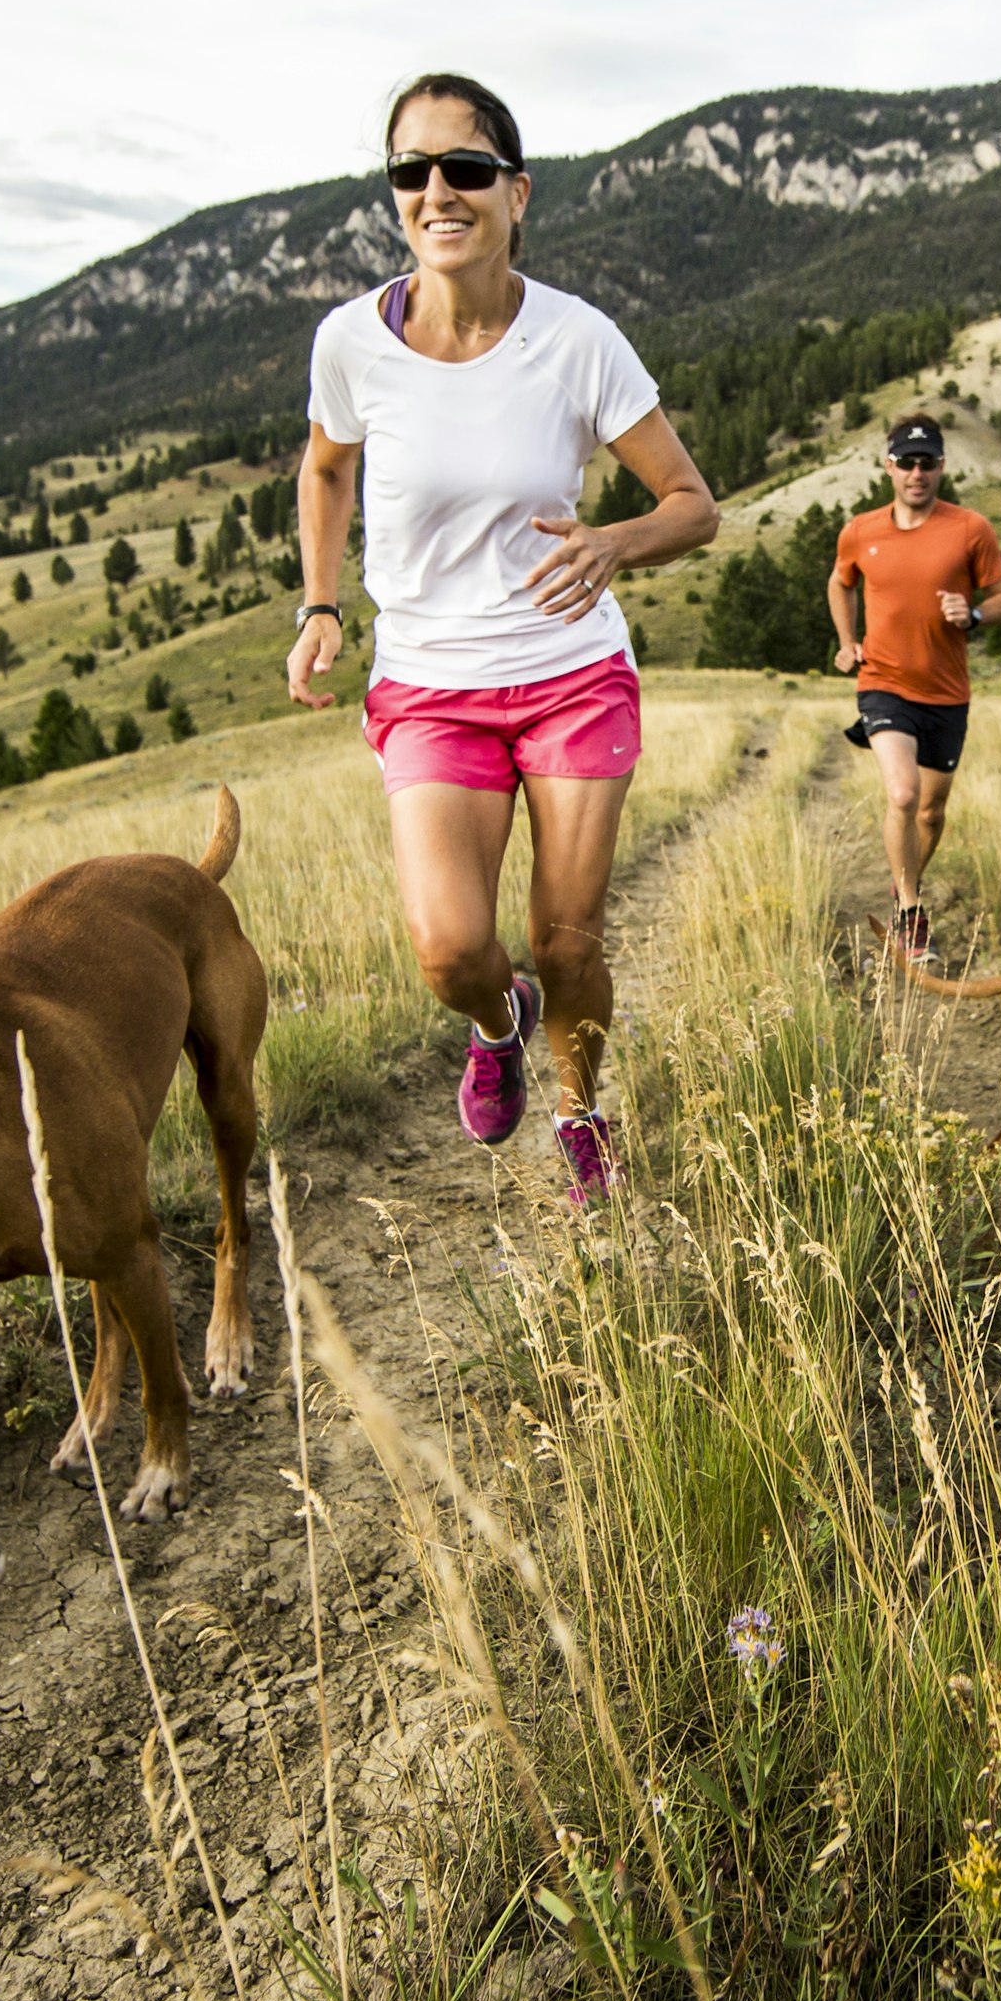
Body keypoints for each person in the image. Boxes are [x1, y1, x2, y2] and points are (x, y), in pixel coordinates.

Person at [287, 72, 718, 1200]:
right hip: (429, 685)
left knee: (569, 938)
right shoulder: (352, 342)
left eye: (466, 170)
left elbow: (692, 503)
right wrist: (321, 602)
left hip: (572, 674)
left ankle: (582, 1111)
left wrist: (616, 543)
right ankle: (498, 1020)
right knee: (449, 950)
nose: (439, 190)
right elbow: (328, 464)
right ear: (394, 195)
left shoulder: (577, 341)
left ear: (515, 193)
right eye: (412, 171)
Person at [829, 415, 1001, 966]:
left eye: (926, 462)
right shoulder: (861, 531)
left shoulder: (970, 529)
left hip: (947, 693)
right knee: (902, 794)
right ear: (888, 466)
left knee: (930, 814)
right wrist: (846, 641)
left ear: (941, 467)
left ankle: (902, 882)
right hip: (883, 684)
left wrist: (974, 612)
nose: (916, 472)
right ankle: (910, 914)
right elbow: (841, 582)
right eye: (906, 462)